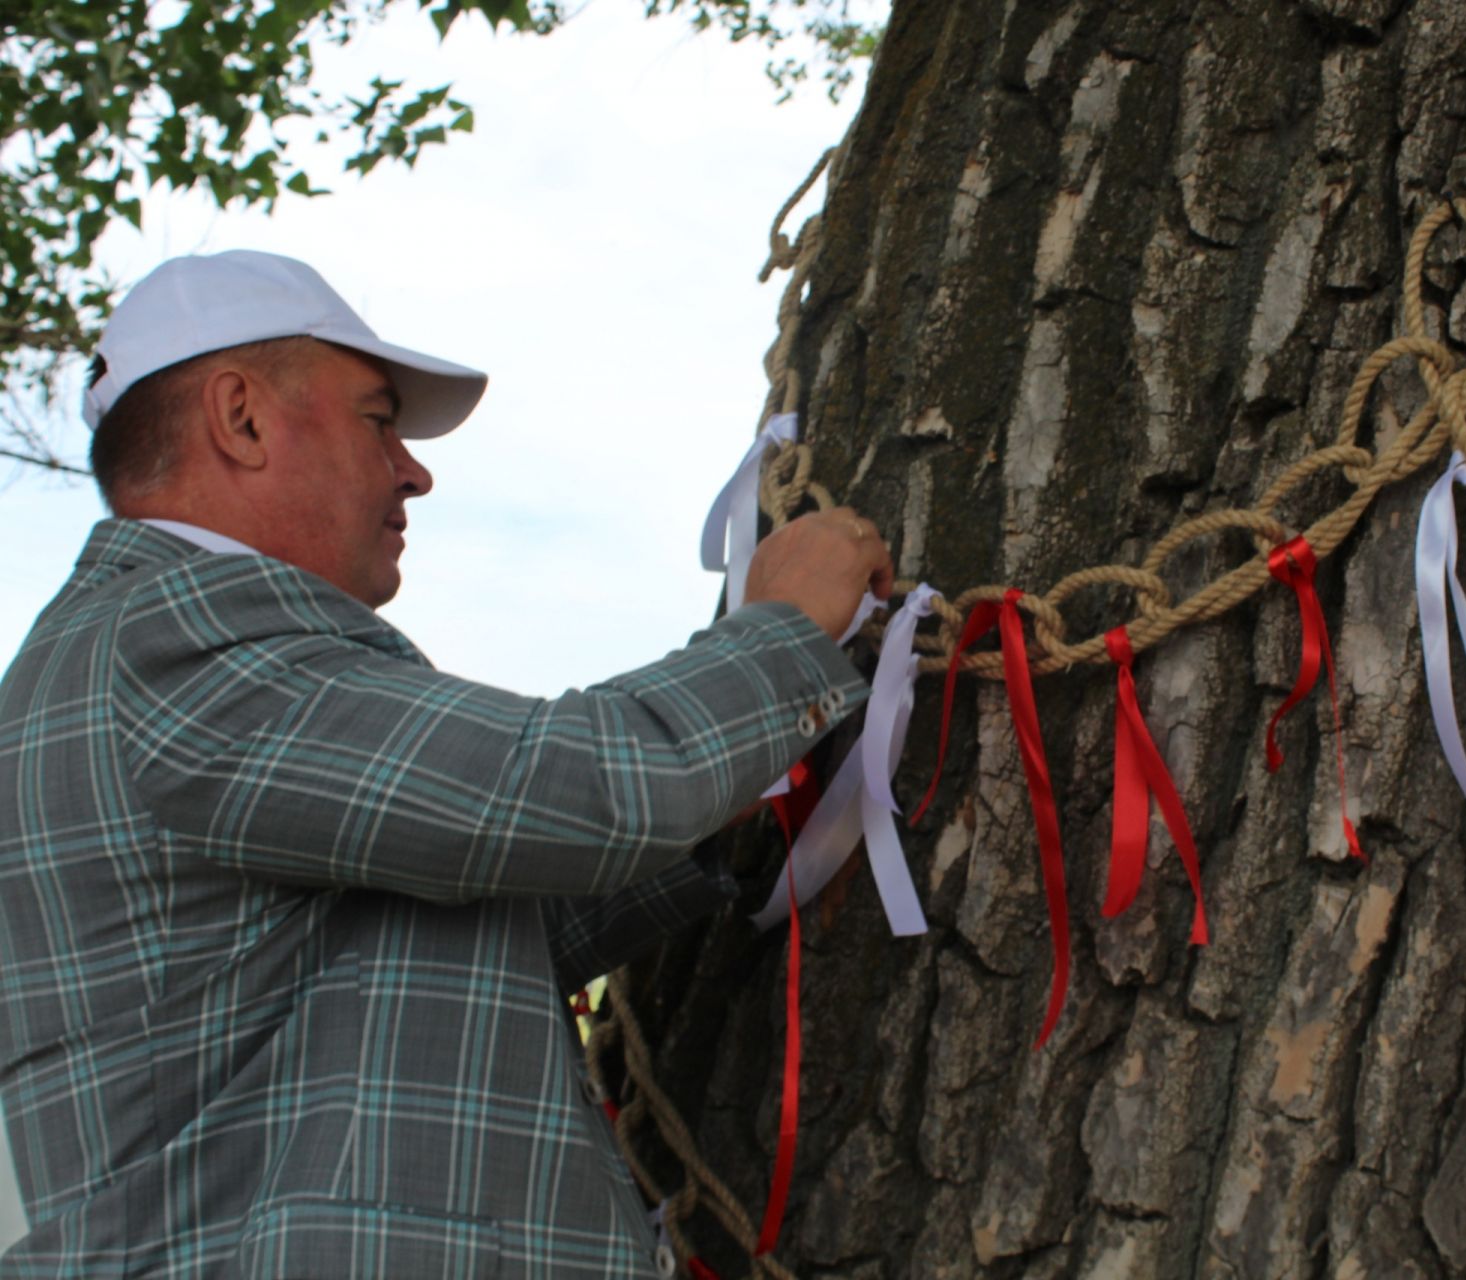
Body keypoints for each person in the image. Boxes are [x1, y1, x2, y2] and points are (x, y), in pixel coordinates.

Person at [0, 251, 892, 1277]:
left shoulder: (135, 653)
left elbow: (454, 928)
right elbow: (573, 790)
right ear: (240, 417)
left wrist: (744, 795)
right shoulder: (177, 632)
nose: (414, 469)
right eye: (379, 418)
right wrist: (782, 631)